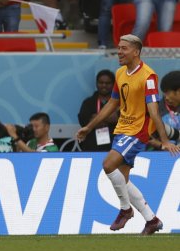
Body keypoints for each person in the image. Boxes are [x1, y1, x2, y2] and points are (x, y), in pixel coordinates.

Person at [77, 34, 180, 235]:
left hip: (138, 131)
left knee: (108, 164)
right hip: (122, 129)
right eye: (118, 48)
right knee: (122, 180)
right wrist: (89, 127)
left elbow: (153, 111)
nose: (119, 52)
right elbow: (112, 103)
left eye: (124, 48)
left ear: (136, 51)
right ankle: (151, 220)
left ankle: (125, 209)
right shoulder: (120, 73)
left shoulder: (148, 77)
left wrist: (164, 141)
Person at [78, 70, 119, 151]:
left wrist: (95, 118)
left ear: (113, 84)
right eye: (101, 82)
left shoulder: (119, 102)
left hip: (115, 148)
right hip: (92, 147)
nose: (104, 85)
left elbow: (120, 119)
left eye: (108, 83)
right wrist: (110, 117)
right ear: (96, 83)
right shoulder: (88, 102)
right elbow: (84, 122)